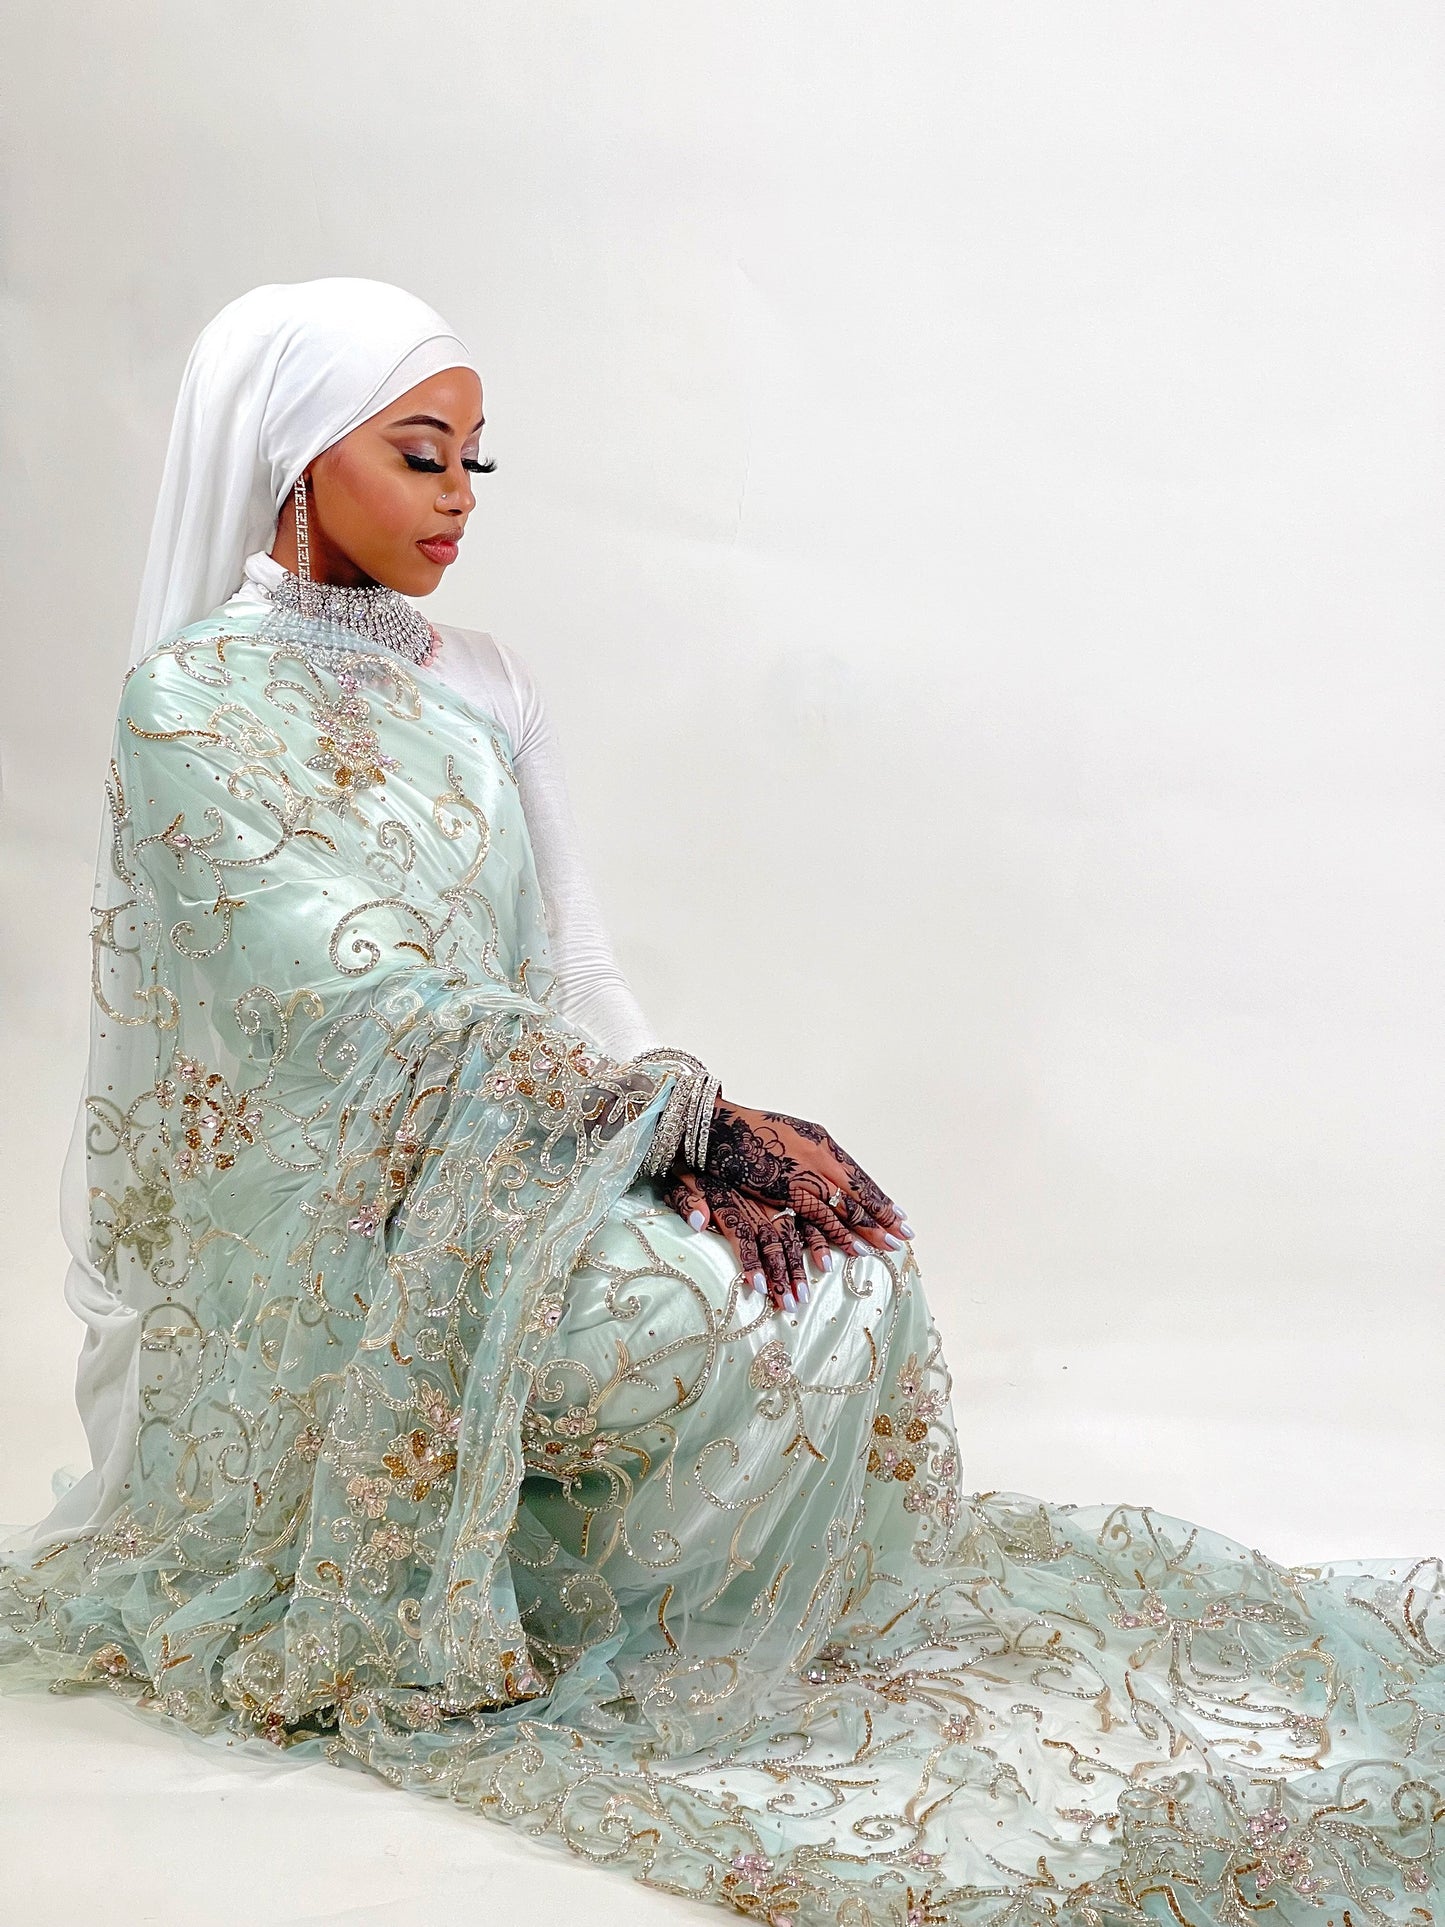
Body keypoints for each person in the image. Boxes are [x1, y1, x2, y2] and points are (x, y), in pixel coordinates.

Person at [1, 279, 1439, 1925]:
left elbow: (578, 969)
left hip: (528, 1145)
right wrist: (671, 1127)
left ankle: (663, 1612)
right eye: (420, 453)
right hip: (358, 1222)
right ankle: (482, 1585)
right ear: (294, 456)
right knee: (697, 1314)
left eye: (477, 459)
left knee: (841, 1267)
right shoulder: (188, 701)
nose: (461, 497)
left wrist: (704, 1140)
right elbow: (342, 1008)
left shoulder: (484, 680)